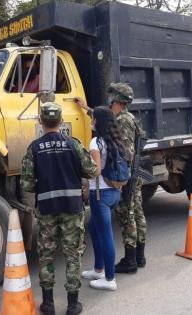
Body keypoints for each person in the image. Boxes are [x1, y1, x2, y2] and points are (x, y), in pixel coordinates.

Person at [21, 102, 96, 315]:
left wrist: (43, 183)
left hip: (46, 209)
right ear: (62, 121)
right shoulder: (74, 144)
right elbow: (91, 171)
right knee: (73, 255)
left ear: (40, 122)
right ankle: (73, 305)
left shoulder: (34, 148)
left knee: (46, 255)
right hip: (72, 208)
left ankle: (48, 305)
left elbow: (26, 184)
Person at [75, 82, 147, 274]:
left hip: (126, 175)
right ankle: (139, 257)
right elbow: (105, 118)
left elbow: (126, 153)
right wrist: (87, 109)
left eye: (111, 96)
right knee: (136, 212)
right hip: (131, 173)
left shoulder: (123, 120)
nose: (109, 100)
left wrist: (119, 177)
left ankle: (131, 260)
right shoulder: (125, 116)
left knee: (128, 215)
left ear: (117, 100)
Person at [81, 107, 126, 291]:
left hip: (100, 195)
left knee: (106, 234)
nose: (90, 121)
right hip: (114, 192)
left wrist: (82, 168)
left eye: (92, 118)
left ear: (97, 121)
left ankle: (109, 278)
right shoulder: (115, 141)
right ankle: (98, 269)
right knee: (93, 228)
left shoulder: (95, 143)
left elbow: (96, 170)